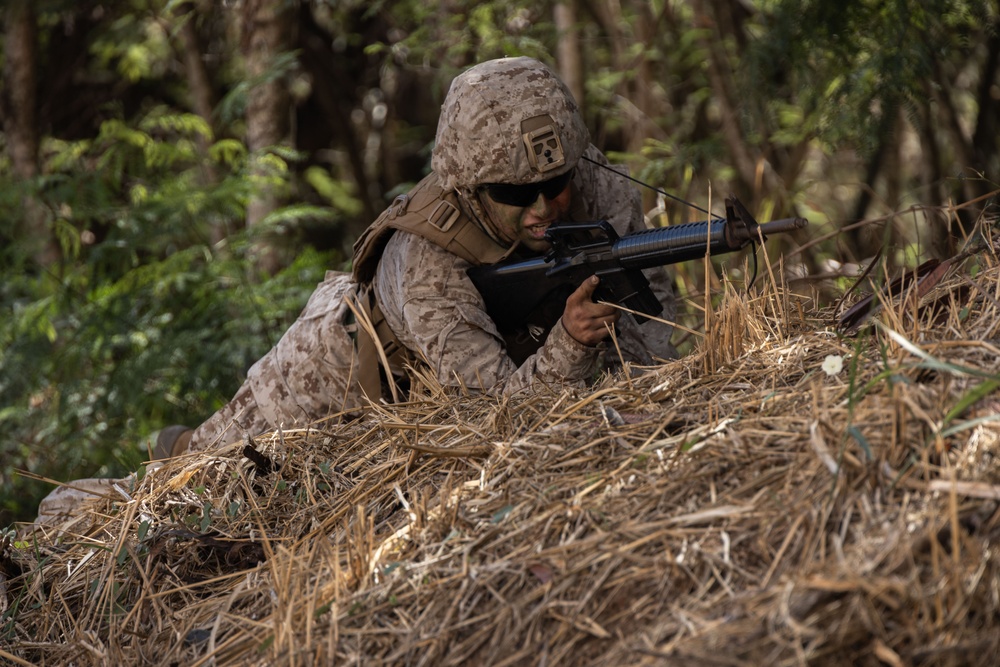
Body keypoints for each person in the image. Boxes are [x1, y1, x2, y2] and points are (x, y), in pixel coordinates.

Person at [36, 57, 677, 520]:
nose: (545, 206)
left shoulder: (593, 183)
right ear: (469, 186)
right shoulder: (424, 260)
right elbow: (500, 417)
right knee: (190, 498)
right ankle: (97, 497)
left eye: (556, 182)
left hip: (451, 379)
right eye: (515, 193)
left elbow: (659, 331)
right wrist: (569, 342)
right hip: (332, 375)